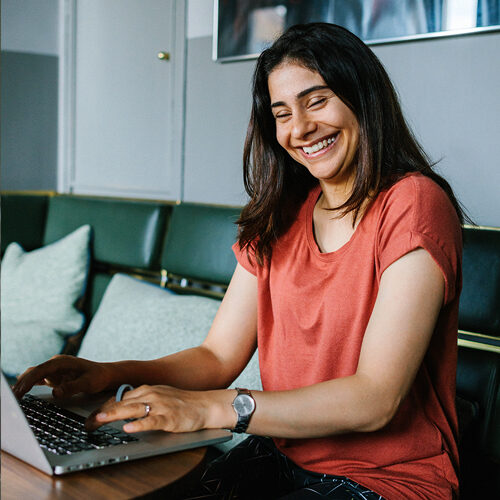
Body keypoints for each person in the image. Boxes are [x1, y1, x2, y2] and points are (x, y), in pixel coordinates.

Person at [14, 23, 466, 499]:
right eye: (282, 113)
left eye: (317, 101)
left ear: (363, 99)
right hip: (284, 457)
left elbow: (375, 399)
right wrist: (111, 372)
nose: (300, 128)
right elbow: (216, 357)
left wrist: (216, 409)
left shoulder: (413, 202)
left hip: (386, 480)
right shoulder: (281, 215)